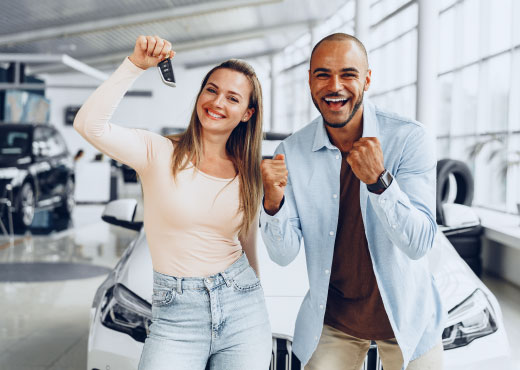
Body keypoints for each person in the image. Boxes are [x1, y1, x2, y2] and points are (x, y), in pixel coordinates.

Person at [74, 35, 271, 370]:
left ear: (247, 113)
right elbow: (88, 125)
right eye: (211, 89)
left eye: (232, 98)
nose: (217, 101)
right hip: (175, 314)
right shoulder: (158, 152)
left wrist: (259, 295)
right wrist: (135, 65)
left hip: (243, 307)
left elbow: (247, 242)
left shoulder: (247, 172)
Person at [260, 33, 445, 370]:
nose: (335, 86)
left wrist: (380, 182)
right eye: (323, 74)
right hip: (335, 321)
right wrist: (272, 205)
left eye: (348, 74)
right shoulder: (292, 152)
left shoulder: (409, 138)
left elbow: (419, 244)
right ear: (310, 81)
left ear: (367, 79)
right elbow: (282, 255)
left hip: (409, 319)